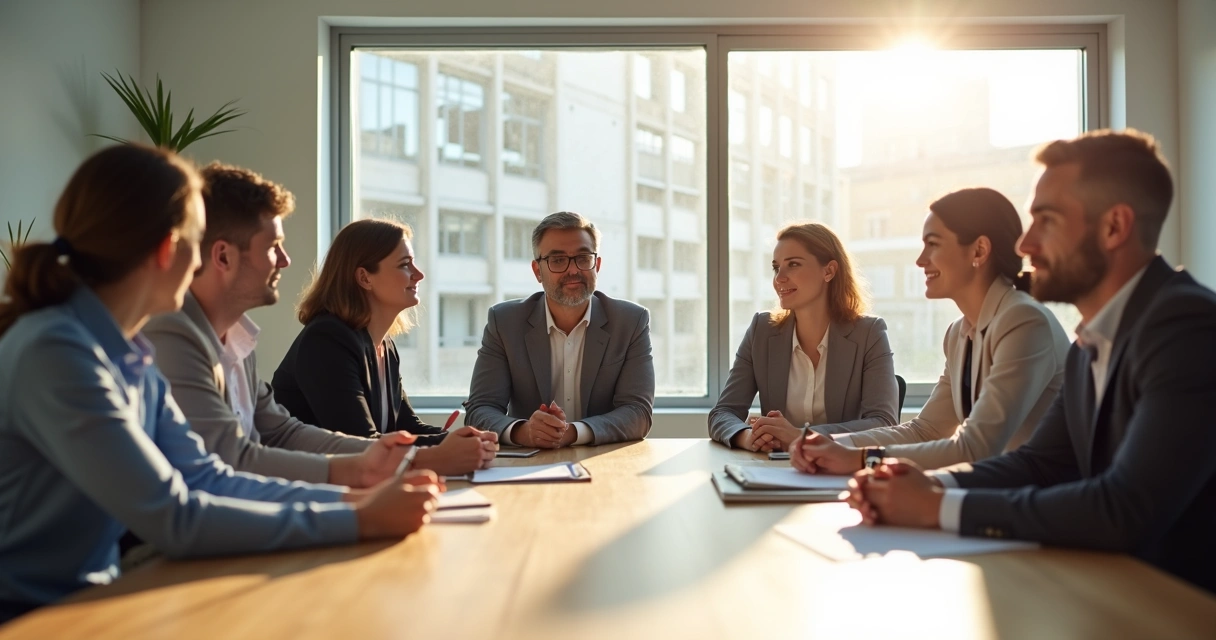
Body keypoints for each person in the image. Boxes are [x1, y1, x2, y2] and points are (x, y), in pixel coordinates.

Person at [0, 145, 440, 622]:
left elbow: (207, 477)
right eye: (196, 241)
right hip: (30, 614)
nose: (198, 265)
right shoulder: (58, 351)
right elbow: (175, 515)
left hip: (89, 599)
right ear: (170, 249)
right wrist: (359, 516)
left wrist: (356, 501)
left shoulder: (131, 352)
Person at [843, 130, 1216, 594]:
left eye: (1047, 220)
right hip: (1108, 588)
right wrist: (927, 487)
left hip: (1180, 605)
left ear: (1114, 228)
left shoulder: (1187, 326)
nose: (1024, 245)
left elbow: (1125, 507)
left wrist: (936, 508)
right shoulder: (1091, 342)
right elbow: (1037, 465)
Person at [144, 163, 491, 482]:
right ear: (222, 256)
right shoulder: (173, 334)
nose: (285, 260)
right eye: (273, 247)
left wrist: (445, 447)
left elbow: (283, 433)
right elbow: (236, 462)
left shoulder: (239, 337)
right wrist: (413, 462)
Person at [791, 188, 1070, 473]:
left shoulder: (1023, 321)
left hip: (1044, 503)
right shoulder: (959, 333)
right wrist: (829, 444)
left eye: (933, 244)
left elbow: (976, 448)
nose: (921, 260)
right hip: (999, 494)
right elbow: (926, 430)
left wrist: (863, 459)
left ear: (979, 251)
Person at [273, 218, 497, 470]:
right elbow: (360, 441)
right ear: (365, 278)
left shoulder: (384, 345)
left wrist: (467, 440)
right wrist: (447, 447)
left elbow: (407, 426)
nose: (419, 274)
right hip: (313, 488)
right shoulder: (326, 340)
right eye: (405, 264)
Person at [465, 211, 654, 448]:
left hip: (603, 461)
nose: (572, 270)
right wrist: (525, 432)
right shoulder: (504, 322)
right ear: (537, 271)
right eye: (557, 260)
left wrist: (573, 433)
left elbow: (638, 413)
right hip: (529, 462)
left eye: (583, 257)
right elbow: (480, 409)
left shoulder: (631, 321)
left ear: (597, 265)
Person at [709, 222, 898, 451]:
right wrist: (749, 437)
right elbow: (723, 413)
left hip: (841, 469)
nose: (779, 278)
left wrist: (801, 436)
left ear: (828, 271)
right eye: (776, 267)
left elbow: (884, 423)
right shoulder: (762, 329)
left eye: (793, 265)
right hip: (775, 469)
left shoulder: (869, 333)